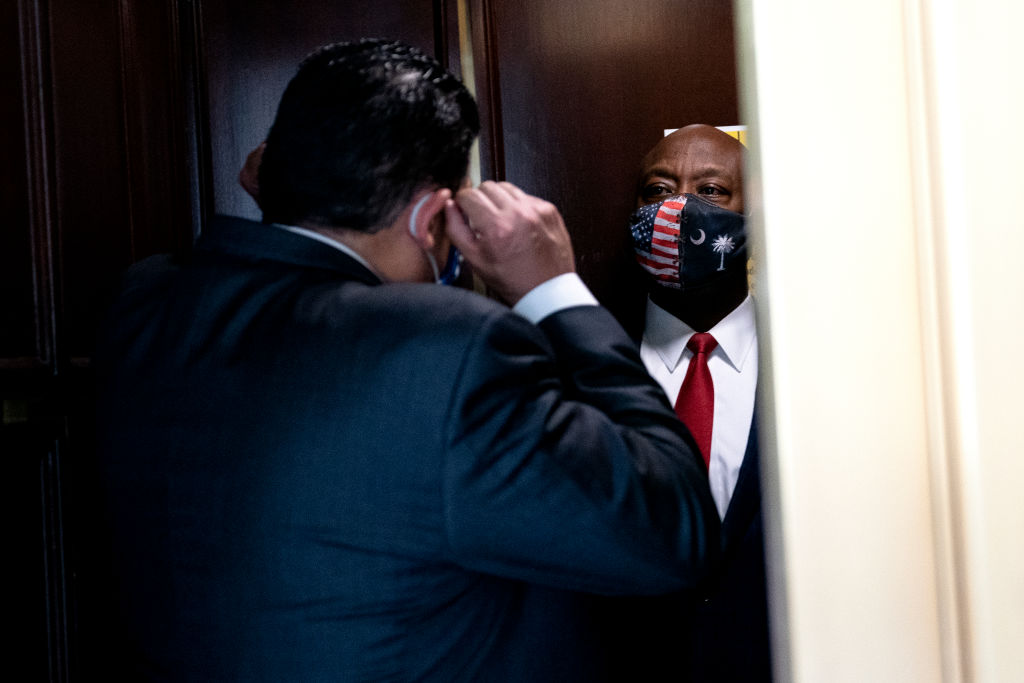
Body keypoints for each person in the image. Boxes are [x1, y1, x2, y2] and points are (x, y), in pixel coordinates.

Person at [93, 39, 720, 681]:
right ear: (431, 221)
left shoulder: (148, 304)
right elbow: (672, 531)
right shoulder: (449, 346)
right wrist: (552, 290)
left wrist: (294, 205)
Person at [601, 124, 772, 681]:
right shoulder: (586, 366)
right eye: (658, 189)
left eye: (712, 191)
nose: (678, 207)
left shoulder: (811, 367)